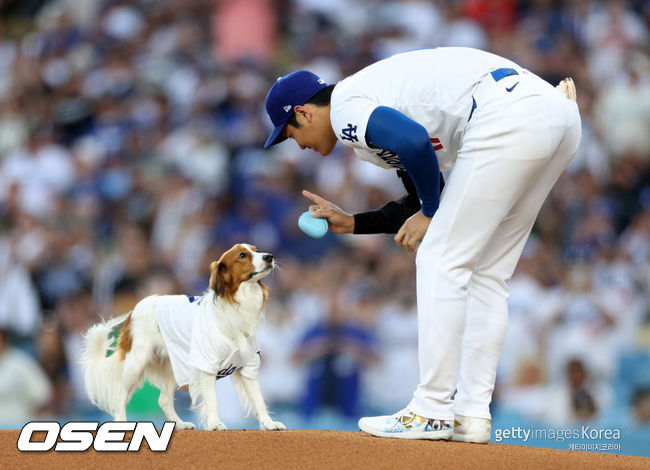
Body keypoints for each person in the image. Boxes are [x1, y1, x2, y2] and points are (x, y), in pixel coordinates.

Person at [263, 47, 581, 443]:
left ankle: (431, 409)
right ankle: (471, 415)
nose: (295, 143)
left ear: (305, 113)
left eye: (289, 132)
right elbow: (419, 194)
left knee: (439, 258)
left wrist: (431, 212)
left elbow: (415, 146)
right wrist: (356, 222)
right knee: (488, 273)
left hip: (509, 115)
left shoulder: (346, 107)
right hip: (554, 114)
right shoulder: (369, 109)